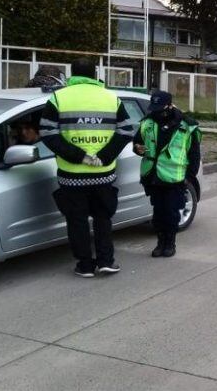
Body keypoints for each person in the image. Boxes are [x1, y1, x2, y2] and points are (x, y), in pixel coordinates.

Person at [39, 58, 134, 278]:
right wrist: (104, 155)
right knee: (103, 219)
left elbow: (47, 132)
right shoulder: (111, 97)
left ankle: (85, 265)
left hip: (72, 176)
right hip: (103, 174)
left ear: (72, 74)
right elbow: (126, 130)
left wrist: (78, 156)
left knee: (77, 221)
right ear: (94, 74)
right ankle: (106, 261)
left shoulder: (59, 98)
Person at [133, 91, 201, 258]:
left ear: (170, 106)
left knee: (171, 212)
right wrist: (137, 148)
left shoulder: (187, 125)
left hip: (175, 178)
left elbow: (194, 155)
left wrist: (189, 177)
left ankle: (170, 243)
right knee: (158, 212)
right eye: (154, 108)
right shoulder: (148, 123)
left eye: (160, 108)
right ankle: (160, 243)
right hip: (153, 176)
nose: (157, 112)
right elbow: (138, 143)